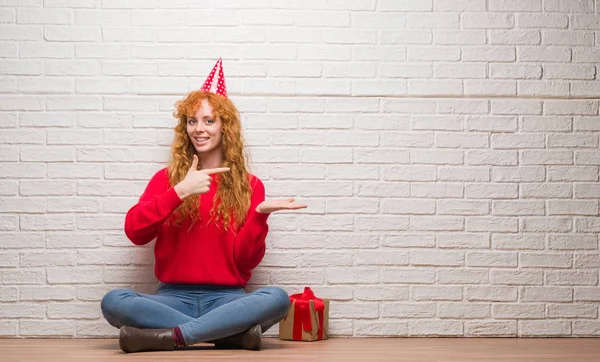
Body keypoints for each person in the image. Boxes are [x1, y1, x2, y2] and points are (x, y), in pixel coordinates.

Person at [100, 58, 307, 353]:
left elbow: (245, 262)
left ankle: (176, 336)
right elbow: (135, 232)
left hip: (228, 298)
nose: (200, 129)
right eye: (192, 121)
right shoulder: (166, 179)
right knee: (113, 302)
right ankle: (227, 334)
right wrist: (179, 191)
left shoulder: (250, 185)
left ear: (225, 128)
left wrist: (259, 217)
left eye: (209, 121)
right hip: (172, 297)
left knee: (277, 298)